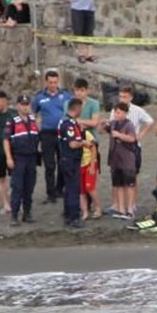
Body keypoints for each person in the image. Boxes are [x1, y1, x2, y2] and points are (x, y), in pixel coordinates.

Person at [32, 70, 73, 204]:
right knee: (49, 165)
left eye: (55, 82)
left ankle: (59, 189)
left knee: (63, 162)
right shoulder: (39, 97)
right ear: (46, 82)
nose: (53, 85)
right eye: (50, 82)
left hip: (62, 134)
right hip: (47, 134)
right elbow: (33, 113)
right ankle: (50, 193)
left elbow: (73, 111)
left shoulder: (66, 95)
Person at [117, 85, 156, 218]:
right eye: (121, 96)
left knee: (132, 177)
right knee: (120, 178)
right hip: (119, 148)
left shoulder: (137, 110)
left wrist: (141, 135)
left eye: (125, 97)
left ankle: (131, 205)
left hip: (133, 148)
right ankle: (121, 206)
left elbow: (150, 121)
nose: (122, 99)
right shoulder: (116, 110)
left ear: (131, 97)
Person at [3, 94, 41, 226]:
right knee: (17, 187)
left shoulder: (32, 119)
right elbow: (6, 140)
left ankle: (27, 213)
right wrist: (8, 157)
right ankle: (14, 216)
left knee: (29, 187)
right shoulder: (12, 120)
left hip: (31, 157)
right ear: (17, 106)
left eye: (27, 104)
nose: (25, 107)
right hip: (18, 158)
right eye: (23, 104)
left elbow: (37, 136)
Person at [72, 78, 102, 220]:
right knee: (81, 187)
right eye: (77, 90)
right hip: (75, 149)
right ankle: (84, 210)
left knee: (90, 186)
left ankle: (97, 208)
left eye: (82, 90)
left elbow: (95, 122)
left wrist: (79, 122)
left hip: (90, 148)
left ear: (86, 90)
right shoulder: (69, 103)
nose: (79, 93)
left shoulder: (93, 104)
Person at [104, 102, 139, 220]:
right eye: (115, 112)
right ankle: (120, 208)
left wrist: (119, 135)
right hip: (115, 159)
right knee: (117, 185)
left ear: (125, 113)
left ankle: (130, 209)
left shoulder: (129, 125)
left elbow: (132, 138)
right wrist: (102, 123)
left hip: (127, 159)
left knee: (129, 185)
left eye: (118, 112)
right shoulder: (113, 124)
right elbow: (102, 130)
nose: (116, 115)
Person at [57, 98, 86, 228]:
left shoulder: (69, 122)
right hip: (70, 160)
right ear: (77, 108)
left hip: (67, 159)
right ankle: (74, 217)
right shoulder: (68, 124)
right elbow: (73, 144)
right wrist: (83, 143)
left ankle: (68, 215)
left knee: (69, 189)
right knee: (73, 189)